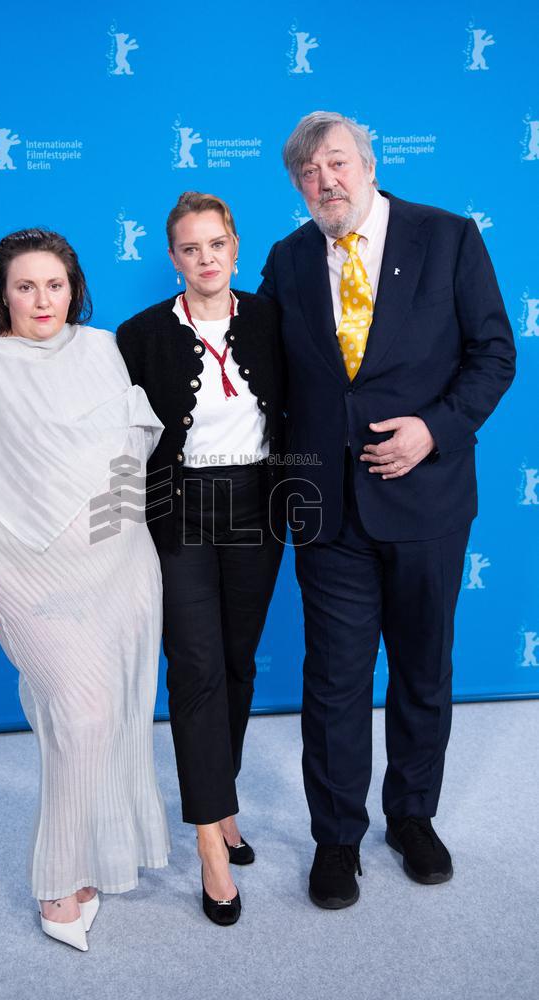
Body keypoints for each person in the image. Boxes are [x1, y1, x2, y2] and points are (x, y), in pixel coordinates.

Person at [258, 112, 516, 909]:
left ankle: (412, 817)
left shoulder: (447, 237)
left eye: (338, 162)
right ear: (298, 188)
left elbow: (495, 352)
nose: (326, 180)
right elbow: (267, 377)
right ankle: (337, 839)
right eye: (308, 173)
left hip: (429, 500)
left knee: (422, 670)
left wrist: (432, 431)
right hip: (328, 512)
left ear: (369, 164)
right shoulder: (288, 258)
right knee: (332, 681)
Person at [0, 229, 170, 950]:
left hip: (118, 569)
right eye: (26, 286)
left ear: (72, 288)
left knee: (110, 720)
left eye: (54, 284)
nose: (42, 300)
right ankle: (58, 880)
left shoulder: (102, 349)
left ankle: (98, 858)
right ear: (1, 293)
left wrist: (127, 545)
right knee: (79, 717)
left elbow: (127, 458)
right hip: (24, 573)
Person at [117, 192, 285, 925]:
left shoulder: (275, 318)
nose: (205, 258)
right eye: (189, 248)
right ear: (173, 257)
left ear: (236, 246)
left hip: (259, 508)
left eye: (216, 244)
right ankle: (210, 850)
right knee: (195, 668)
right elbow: (120, 442)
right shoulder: (139, 335)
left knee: (240, 664)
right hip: (178, 513)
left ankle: (224, 806)